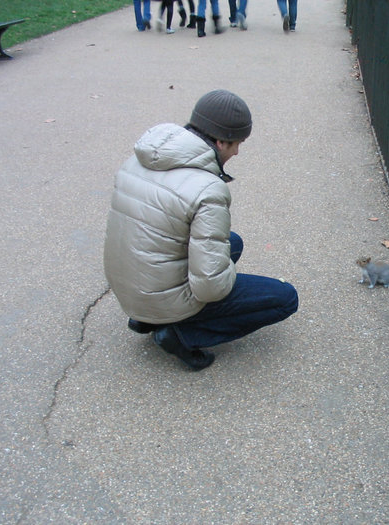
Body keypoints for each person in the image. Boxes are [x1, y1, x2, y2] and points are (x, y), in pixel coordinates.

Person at [104, 90, 299, 371]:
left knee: (233, 243)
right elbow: (210, 286)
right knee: (284, 297)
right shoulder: (207, 189)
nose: (237, 152)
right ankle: (180, 333)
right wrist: (229, 273)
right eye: (236, 144)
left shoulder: (138, 159)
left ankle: (144, 318)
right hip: (160, 297)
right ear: (220, 141)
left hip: (128, 287)